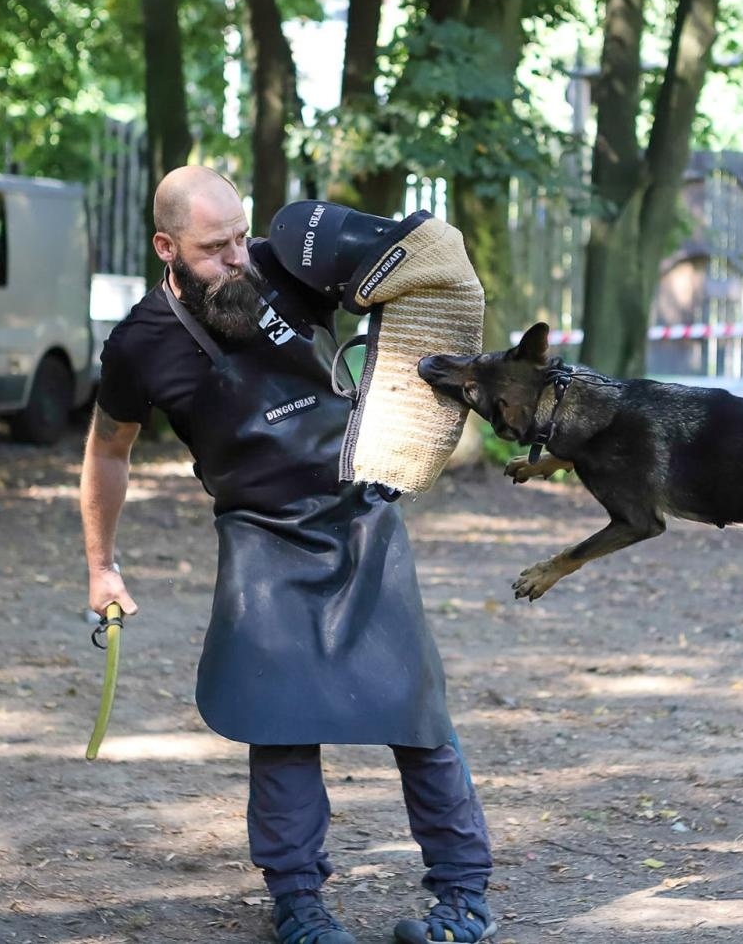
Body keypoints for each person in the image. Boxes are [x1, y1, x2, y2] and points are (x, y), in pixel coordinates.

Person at [80, 166, 495, 944]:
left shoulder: (288, 260)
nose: (241, 257)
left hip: (359, 512)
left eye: (241, 235)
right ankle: (298, 903)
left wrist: (416, 372)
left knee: (416, 715)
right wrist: (102, 563)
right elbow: (108, 451)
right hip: (259, 535)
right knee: (279, 723)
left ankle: (465, 899)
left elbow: (424, 263)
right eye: (216, 247)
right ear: (166, 247)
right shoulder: (140, 343)